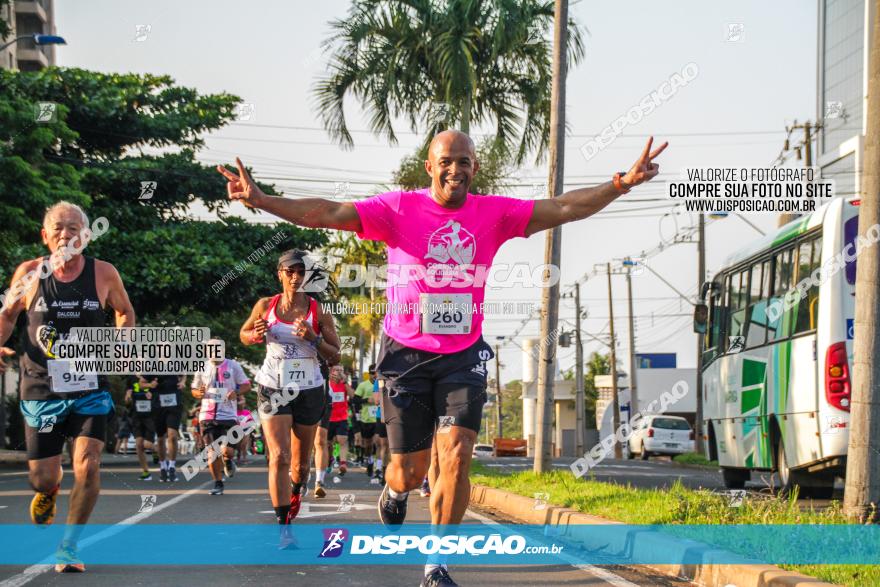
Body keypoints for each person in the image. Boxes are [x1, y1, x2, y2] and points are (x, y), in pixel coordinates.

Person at [219, 130, 666, 586]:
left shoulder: (495, 212)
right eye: (447, 161)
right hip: (404, 357)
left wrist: (622, 183)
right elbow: (328, 213)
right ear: (430, 167)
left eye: (465, 161)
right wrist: (262, 199)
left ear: (475, 167)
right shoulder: (396, 209)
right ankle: (394, 490)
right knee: (410, 473)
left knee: (456, 456)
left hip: (463, 356)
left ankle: (436, 565)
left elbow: (563, 208)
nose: (456, 169)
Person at [0, 202, 136, 573]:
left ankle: (69, 547)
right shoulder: (29, 274)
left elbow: (124, 312)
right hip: (41, 387)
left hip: (90, 385)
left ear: (86, 235)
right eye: (58, 228)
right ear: (45, 236)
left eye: (74, 228)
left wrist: (122, 342)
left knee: (89, 465)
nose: (66, 234)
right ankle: (50, 491)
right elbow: (9, 315)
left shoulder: (105, 274)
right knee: (42, 478)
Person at [240, 249, 341, 527]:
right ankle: (283, 526)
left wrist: (314, 337)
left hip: (308, 389)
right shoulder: (265, 306)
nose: (295, 277)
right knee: (279, 457)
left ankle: (297, 489)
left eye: (301, 272)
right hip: (273, 386)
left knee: (300, 466)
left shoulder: (317, 310)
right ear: (280, 274)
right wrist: (255, 334)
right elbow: (244, 334)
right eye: (290, 272)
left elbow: (336, 355)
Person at [191, 340, 251, 496]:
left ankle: (228, 461)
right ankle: (218, 483)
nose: (214, 351)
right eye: (210, 348)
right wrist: (199, 393)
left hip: (228, 415)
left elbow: (246, 385)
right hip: (207, 415)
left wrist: (236, 393)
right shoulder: (201, 367)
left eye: (217, 348)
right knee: (212, 452)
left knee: (227, 451)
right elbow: (194, 390)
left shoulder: (233, 366)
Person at [146, 374, 184, 482]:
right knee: (160, 438)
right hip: (158, 406)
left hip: (174, 405)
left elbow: (184, 374)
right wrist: (150, 384)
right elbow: (141, 383)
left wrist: (183, 382)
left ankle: (172, 467)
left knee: (172, 436)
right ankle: (163, 467)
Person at [124, 376, 156, 481]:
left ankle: (156, 450)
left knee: (147, 445)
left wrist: (153, 395)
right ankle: (146, 472)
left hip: (150, 416)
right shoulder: (131, 379)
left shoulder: (151, 376)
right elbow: (127, 402)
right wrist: (128, 398)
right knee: (139, 445)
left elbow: (158, 393)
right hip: (136, 417)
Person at [354, 366, 379, 479]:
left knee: (378, 443)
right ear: (369, 374)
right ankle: (369, 462)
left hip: (378, 419)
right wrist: (367, 400)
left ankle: (378, 467)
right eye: (373, 373)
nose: (375, 375)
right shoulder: (363, 385)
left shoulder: (382, 384)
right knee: (368, 444)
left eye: (377, 373)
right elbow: (355, 400)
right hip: (366, 419)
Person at [236, 396, 255, 464]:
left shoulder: (247, 412)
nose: (242, 406)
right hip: (237, 430)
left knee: (244, 444)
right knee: (238, 445)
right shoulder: (234, 412)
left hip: (246, 430)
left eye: (243, 404)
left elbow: (252, 421)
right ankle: (238, 457)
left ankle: (244, 458)